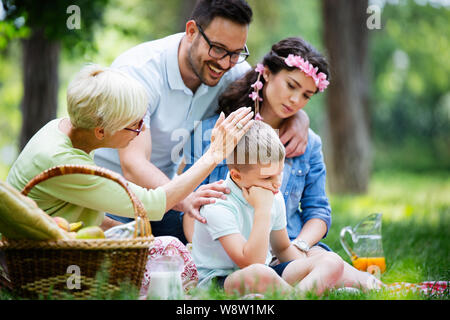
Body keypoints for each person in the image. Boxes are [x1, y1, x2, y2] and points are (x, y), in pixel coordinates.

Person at [6, 64, 254, 292]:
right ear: (100, 131)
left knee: (160, 247)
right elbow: (152, 204)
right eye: (134, 125)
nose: (140, 132)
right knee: (172, 252)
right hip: (44, 264)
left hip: (59, 245)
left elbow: (84, 212)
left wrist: (135, 237)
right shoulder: (64, 162)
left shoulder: (60, 128)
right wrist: (214, 154)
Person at [93, 0, 311, 244]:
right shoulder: (141, 73)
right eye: (218, 49)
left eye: (236, 53)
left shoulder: (230, 70)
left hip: (163, 201)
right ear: (191, 32)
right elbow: (133, 165)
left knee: (209, 236)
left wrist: (299, 117)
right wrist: (185, 200)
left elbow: (268, 90)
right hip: (107, 197)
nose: (226, 63)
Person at [185, 37, 383, 294]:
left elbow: (318, 211)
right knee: (269, 272)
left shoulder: (308, 143)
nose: (295, 100)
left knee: (328, 261)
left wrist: (300, 246)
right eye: (291, 85)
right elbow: (191, 206)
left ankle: (360, 285)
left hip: (285, 246)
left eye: (306, 96)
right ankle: (330, 286)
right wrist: (204, 246)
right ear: (266, 73)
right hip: (229, 249)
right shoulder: (218, 133)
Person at [192, 120, 347, 296]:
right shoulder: (218, 204)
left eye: (280, 172)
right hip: (220, 280)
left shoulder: (272, 194)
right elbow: (250, 263)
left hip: (265, 272)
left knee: (332, 261)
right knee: (259, 273)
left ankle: (296, 296)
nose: (276, 184)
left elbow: (282, 249)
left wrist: (308, 269)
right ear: (237, 176)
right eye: (267, 178)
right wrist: (263, 210)